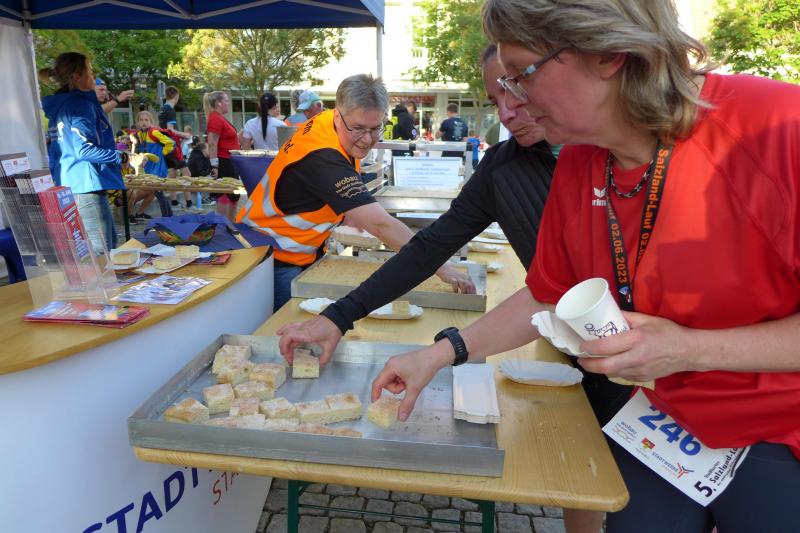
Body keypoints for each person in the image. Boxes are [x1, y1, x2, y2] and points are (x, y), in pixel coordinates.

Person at [366, 1, 800, 532]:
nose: (514, 101)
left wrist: (688, 348)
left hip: (781, 431)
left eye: (521, 74)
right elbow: (549, 294)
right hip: (665, 426)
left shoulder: (778, 128)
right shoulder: (579, 155)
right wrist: (436, 355)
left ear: (607, 53)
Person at [277, 45, 627, 533]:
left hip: (663, 368)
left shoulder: (619, 150)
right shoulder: (505, 166)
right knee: (589, 479)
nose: (507, 111)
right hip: (585, 349)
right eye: (495, 98)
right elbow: (431, 249)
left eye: (517, 89)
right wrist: (338, 316)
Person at [238, 74, 474, 312]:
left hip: (302, 250)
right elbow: (381, 225)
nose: (367, 139)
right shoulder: (322, 156)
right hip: (275, 255)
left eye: (376, 128)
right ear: (338, 116)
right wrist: (439, 266)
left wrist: (350, 214)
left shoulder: (334, 123)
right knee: (290, 324)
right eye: (359, 129)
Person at [40, 52, 128, 253]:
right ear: (77, 76)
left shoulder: (61, 105)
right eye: (90, 71)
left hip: (71, 182)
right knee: (101, 250)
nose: (93, 76)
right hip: (86, 184)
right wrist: (120, 156)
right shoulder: (80, 106)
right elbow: (83, 150)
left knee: (105, 245)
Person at [204, 90, 242, 222]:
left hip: (229, 161)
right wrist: (215, 165)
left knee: (233, 196)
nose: (229, 103)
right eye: (226, 101)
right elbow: (212, 143)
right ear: (218, 103)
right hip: (224, 162)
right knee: (225, 195)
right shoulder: (215, 119)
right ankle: (223, 227)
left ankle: (230, 226)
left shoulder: (219, 118)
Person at [132, 110, 174, 219]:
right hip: (148, 167)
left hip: (157, 167)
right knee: (158, 192)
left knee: (158, 192)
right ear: (138, 122)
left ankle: (167, 217)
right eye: (141, 120)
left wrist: (163, 152)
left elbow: (170, 142)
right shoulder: (139, 134)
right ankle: (168, 216)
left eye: (146, 120)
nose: (144, 122)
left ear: (151, 122)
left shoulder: (154, 132)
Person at [158, 86, 193, 209]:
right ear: (176, 97)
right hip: (173, 147)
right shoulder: (170, 110)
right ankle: (189, 203)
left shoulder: (162, 109)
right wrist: (185, 135)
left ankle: (174, 202)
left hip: (165, 146)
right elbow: (170, 130)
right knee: (186, 174)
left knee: (172, 174)